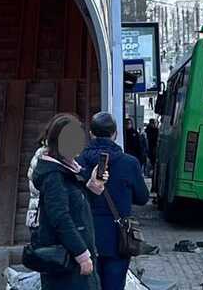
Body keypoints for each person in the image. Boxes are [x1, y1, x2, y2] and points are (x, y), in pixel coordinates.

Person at [31, 113, 105, 289]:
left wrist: (93, 186)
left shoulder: (70, 170)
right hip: (67, 261)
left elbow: (78, 207)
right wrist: (82, 254)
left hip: (73, 258)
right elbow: (60, 217)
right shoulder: (54, 176)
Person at [77, 112, 150, 290]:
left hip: (84, 238)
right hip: (118, 239)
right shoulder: (129, 163)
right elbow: (142, 197)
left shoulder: (78, 163)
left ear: (91, 133)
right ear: (115, 134)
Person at [145, 119, 160, 193]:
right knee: (154, 170)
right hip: (153, 153)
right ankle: (154, 187)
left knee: (153, 170)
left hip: (150, 153)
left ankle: (154, 187)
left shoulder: (147, 131)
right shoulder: (155, 131)